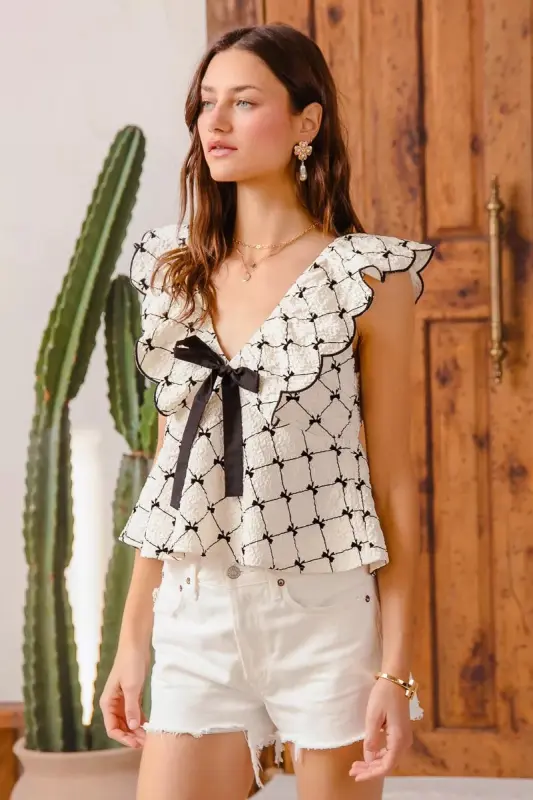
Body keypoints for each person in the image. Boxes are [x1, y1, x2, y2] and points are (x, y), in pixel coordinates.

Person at [100, 22, 435, 800]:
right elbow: (170, 475)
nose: (214, 122)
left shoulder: (364, 277)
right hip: (197, 614)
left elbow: (393, 486)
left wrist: (394, 670)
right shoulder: (174, 271)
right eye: (205, 102)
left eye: (243, 102)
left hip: (321, 618)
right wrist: (132, 639)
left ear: (304, 123)